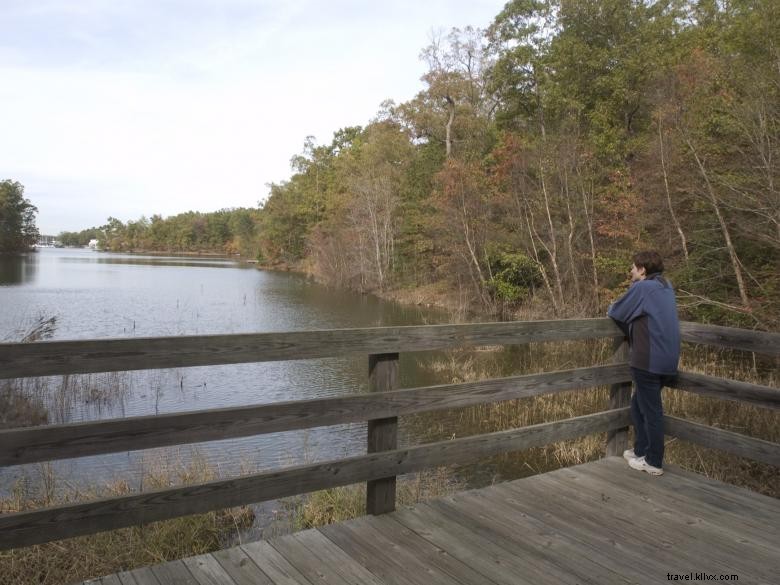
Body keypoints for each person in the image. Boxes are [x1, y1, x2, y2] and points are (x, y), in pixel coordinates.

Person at [607, 250, 680, 476]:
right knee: (638, 405)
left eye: (633, 267)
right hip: (667, 359)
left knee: (651, 411)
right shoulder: (666, 286)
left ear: (642, 269)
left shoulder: (642, 287)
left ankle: (654, 461)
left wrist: (612, 307)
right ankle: (641, 451)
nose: (630, 271)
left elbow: (617, 311)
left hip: (648, 360)